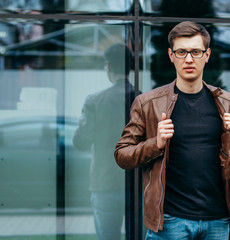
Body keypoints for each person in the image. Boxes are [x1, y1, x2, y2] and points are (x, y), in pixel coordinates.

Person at [115, 21, 230, 240]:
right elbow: (122, 155)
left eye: (196, 52)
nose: (188, 59)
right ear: (171, 55)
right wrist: (156, 143)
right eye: (181, 52)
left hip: (217, 222)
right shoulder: (148, 103)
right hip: (170, 221)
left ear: (207, 55)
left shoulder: (229, 103)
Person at [73, 43, 135, 240]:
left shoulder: (95, 100)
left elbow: (81, 141)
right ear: (131, 67)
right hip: (138, 183)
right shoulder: (145, 99)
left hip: (105, 182)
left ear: (108, 66)